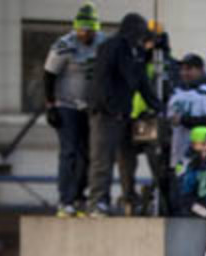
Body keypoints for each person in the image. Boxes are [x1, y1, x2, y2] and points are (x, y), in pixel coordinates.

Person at [86, 12, 160, 216]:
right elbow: (102, 81)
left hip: (123, 115)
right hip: (106, 113)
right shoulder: (112, 47)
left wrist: (159, 108)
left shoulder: (134, 52)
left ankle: (129, 197)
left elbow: (142, 83)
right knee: (102, 159)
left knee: (127, 159)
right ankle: (97, 202)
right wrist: (112, 108)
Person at [44, 3, 105, 217]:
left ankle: (79, 196)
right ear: (76, 29)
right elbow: (49, 75)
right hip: (66, 104)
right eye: (82, 30)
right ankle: (65, 199)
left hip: (89, 107)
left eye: (89, 31)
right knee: (69, 152)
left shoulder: (102, 43)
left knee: (87, 154)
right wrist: (50, 105)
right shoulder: (64, 45)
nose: (85, 35)